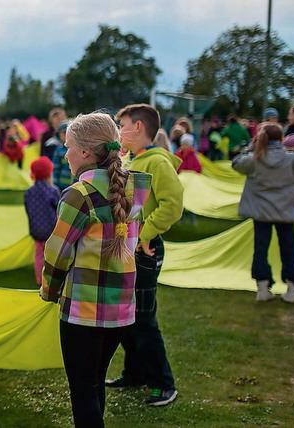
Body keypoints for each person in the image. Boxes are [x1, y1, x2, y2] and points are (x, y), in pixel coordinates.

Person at [41, 112, 151, 428]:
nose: (65, 154)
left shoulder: (79, 194)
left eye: (69, 146)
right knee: (94, 384)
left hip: (83, 310)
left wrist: (49, 290)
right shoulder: (134, 190)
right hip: (120, 309)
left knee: (83, 391)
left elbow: (57, 250)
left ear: (86, 152)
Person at [108, 104, 183, 407]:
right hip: (129, 248)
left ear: (138, 127)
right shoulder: (132, 159)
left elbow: (172, 205)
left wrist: (145, 234)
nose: (119, 131)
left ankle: (164, 383)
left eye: (121, 125)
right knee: (126, 317)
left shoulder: (157, 163)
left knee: (143, 319)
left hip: (145, 250)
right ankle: (135, 372)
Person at [233, 123, 294, 303]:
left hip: (261, 212)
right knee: (289, 250)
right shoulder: (291, 159)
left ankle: (262, 287)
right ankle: (292, 288)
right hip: (285, 212)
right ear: (281, 138)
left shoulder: (255, 158)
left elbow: (235, 163)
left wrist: (250, 147)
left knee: (260, 249)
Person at [24, 157, 59, 287]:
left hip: (36, 230)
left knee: (39, 255)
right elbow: (59, 211)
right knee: (52, 256)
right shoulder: (53, 191)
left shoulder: (29, 192)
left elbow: (28, 211)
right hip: (51, 230)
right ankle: (52, 280)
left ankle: (40, 280)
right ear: (49, 173)